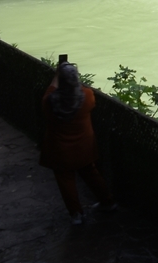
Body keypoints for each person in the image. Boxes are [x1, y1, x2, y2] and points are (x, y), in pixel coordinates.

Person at [39, 61, 115, 225]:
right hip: (84, 147)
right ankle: (107, 202)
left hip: (60, 150)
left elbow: (52, 87)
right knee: (91, 173)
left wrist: (58, 74)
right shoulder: (86, 96)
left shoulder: (50, 101)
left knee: (66, 180)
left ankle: (76, 214)